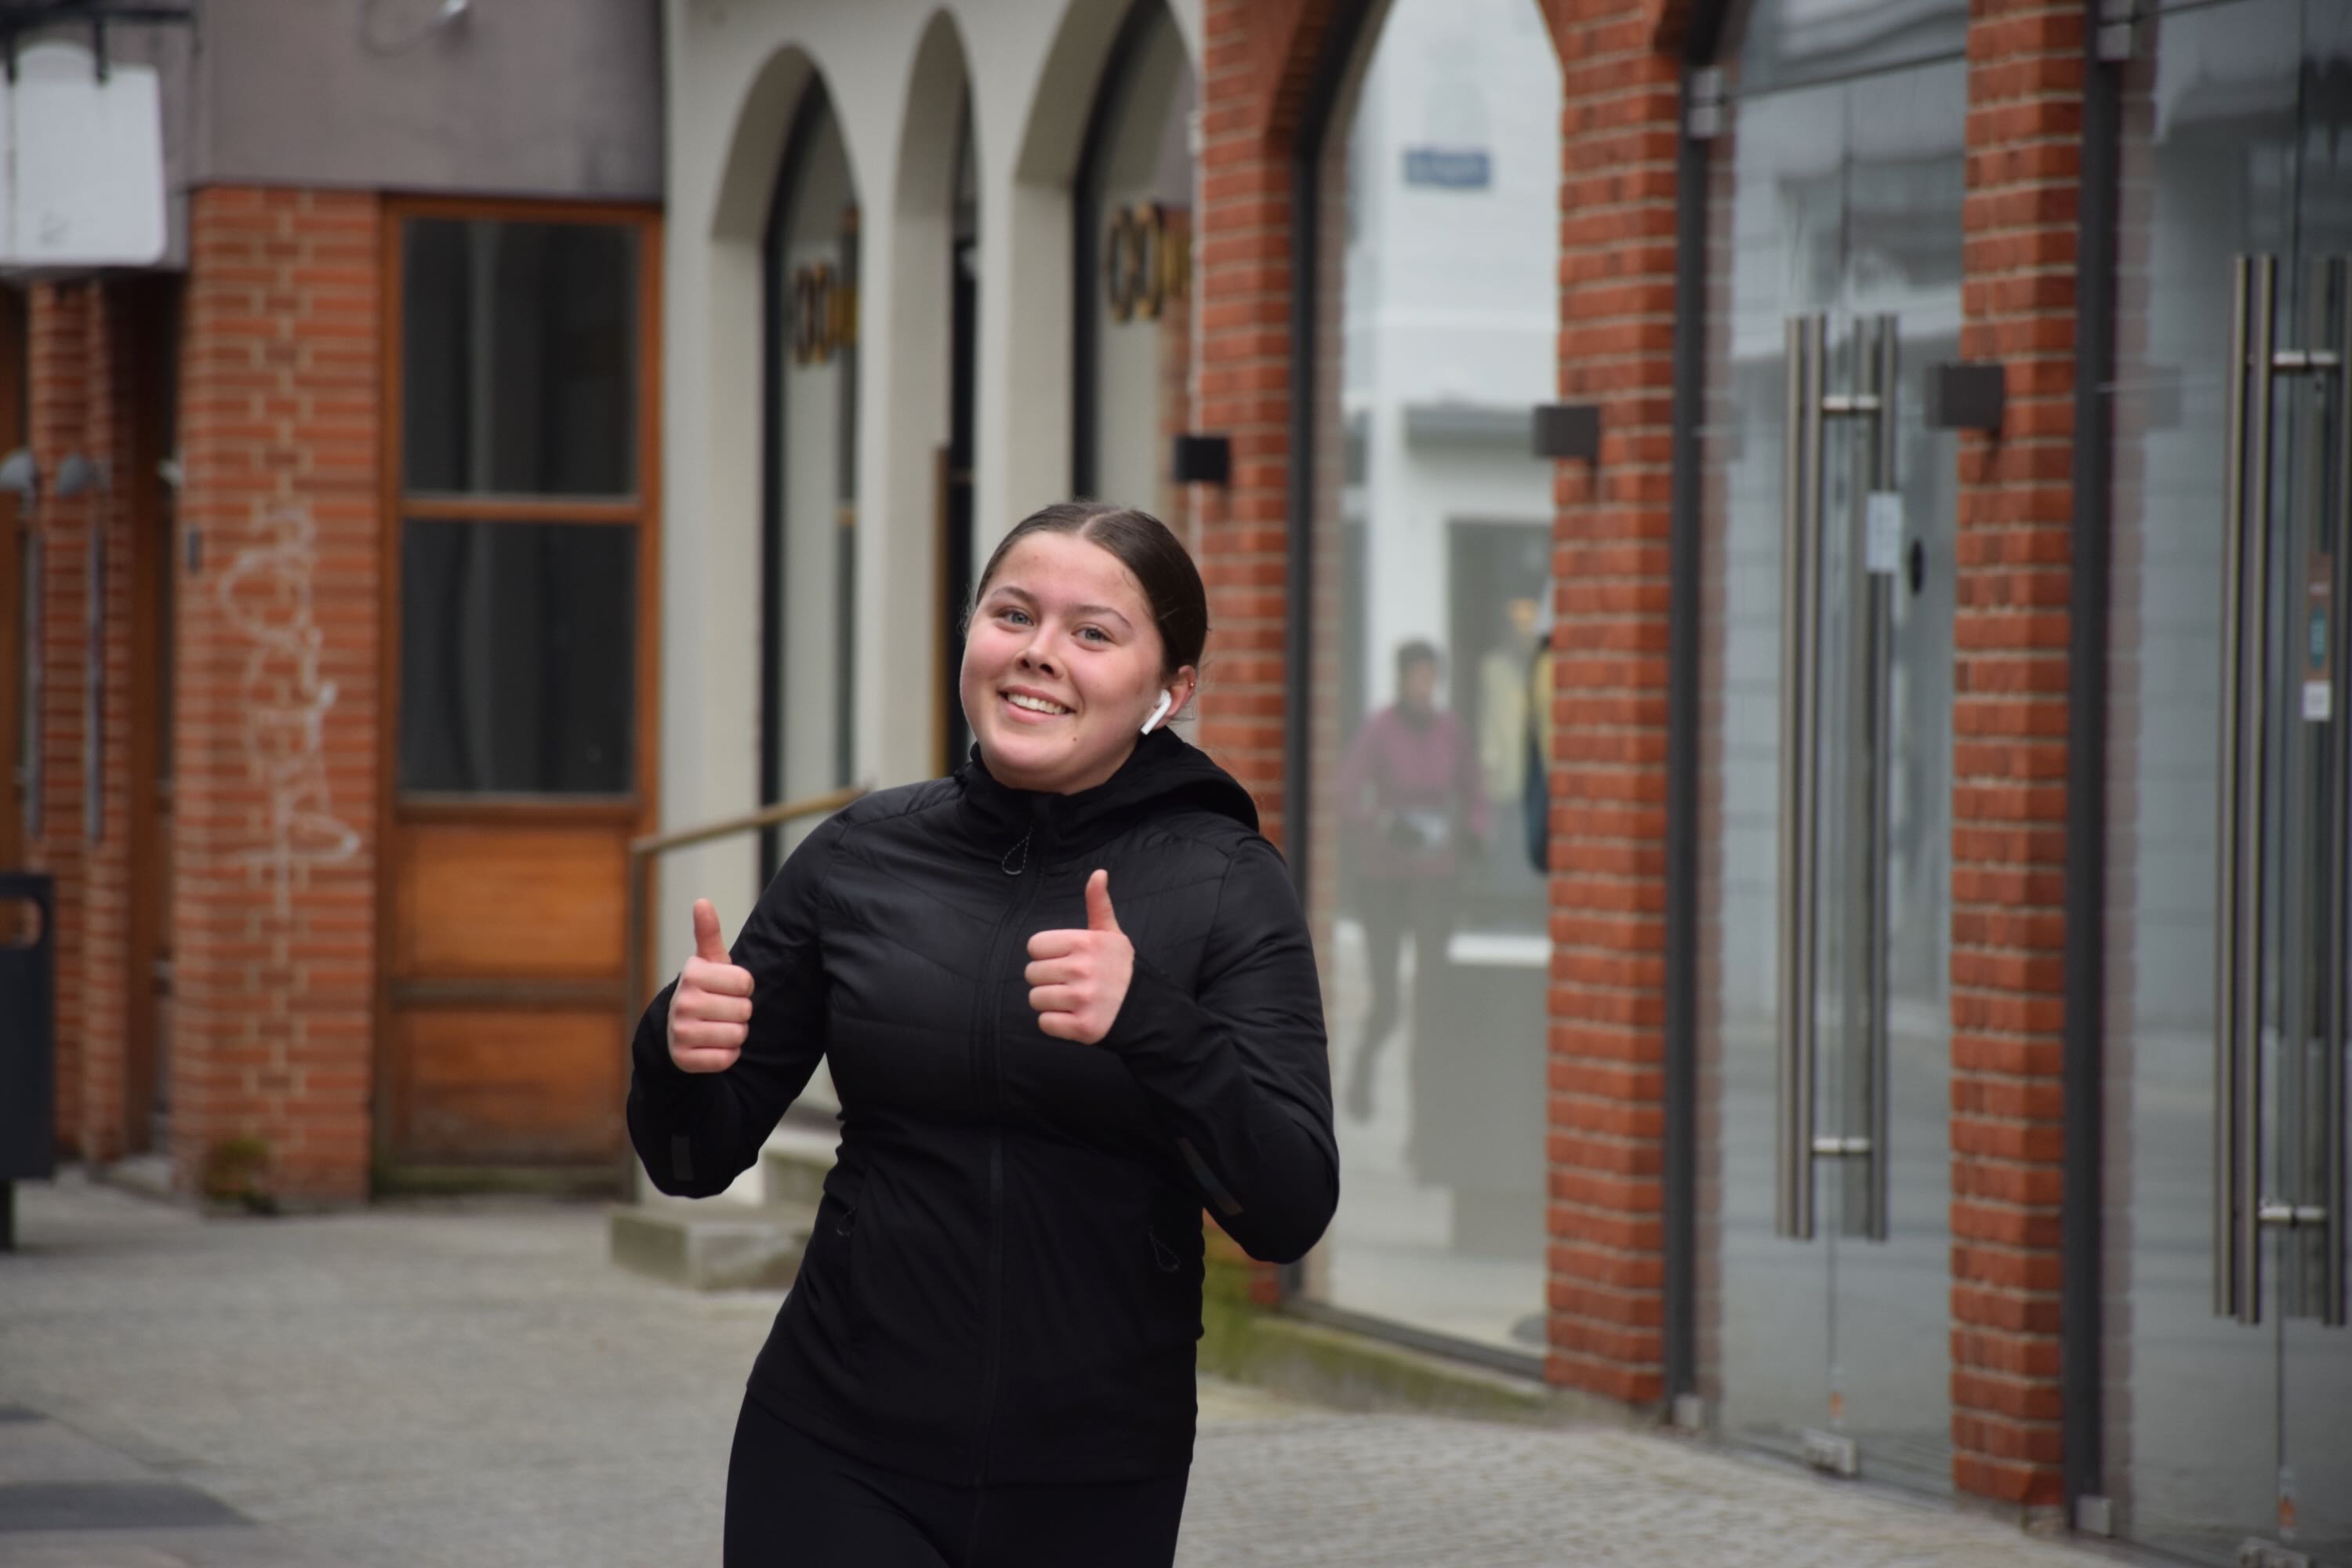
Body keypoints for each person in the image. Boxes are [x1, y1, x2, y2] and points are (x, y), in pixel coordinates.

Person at [629, 501, 1338, 1568]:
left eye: (1093, 633)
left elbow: (1287, 1207)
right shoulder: (862, 855)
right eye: (1014, 615)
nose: (1039, 655)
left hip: (1093, 1473)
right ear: (972, 635)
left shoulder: (1229, 884)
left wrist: (1150, 1022)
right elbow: (693, 1159)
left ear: (1170, 690)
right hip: (834, 1440)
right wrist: (676, 1050)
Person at [1334, 639, 1488, 1122]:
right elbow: (1344, 790)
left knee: (1433, 999)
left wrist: (1474, 834)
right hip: (1384, 877)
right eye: (1416, 676)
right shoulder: (1380, 728)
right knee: (1390, 1002)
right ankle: (1362, 1068)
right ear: (1402, 680)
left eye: (1430, 677)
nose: (1424, 685)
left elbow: (1475, 789)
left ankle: (1429, 1117)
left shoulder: (1450, 731)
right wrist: (1379, 821)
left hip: (1435, 876)